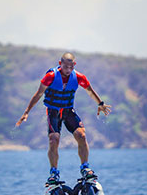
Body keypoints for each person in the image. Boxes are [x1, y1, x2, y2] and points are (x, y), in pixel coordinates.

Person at [16, 52, 111, 187]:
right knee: (54, 140)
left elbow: (90, 91)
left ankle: (85, 168)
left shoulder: (78, 77)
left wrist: (100, 104)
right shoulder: (50, 76)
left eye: (70, 67)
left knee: (81, 135)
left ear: (74, 65)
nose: (68, 70)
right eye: (65, 67)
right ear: (60, 64)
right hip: (53, 112)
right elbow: (38, 94)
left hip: (68, 111)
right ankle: (54, 172)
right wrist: (26, 112)